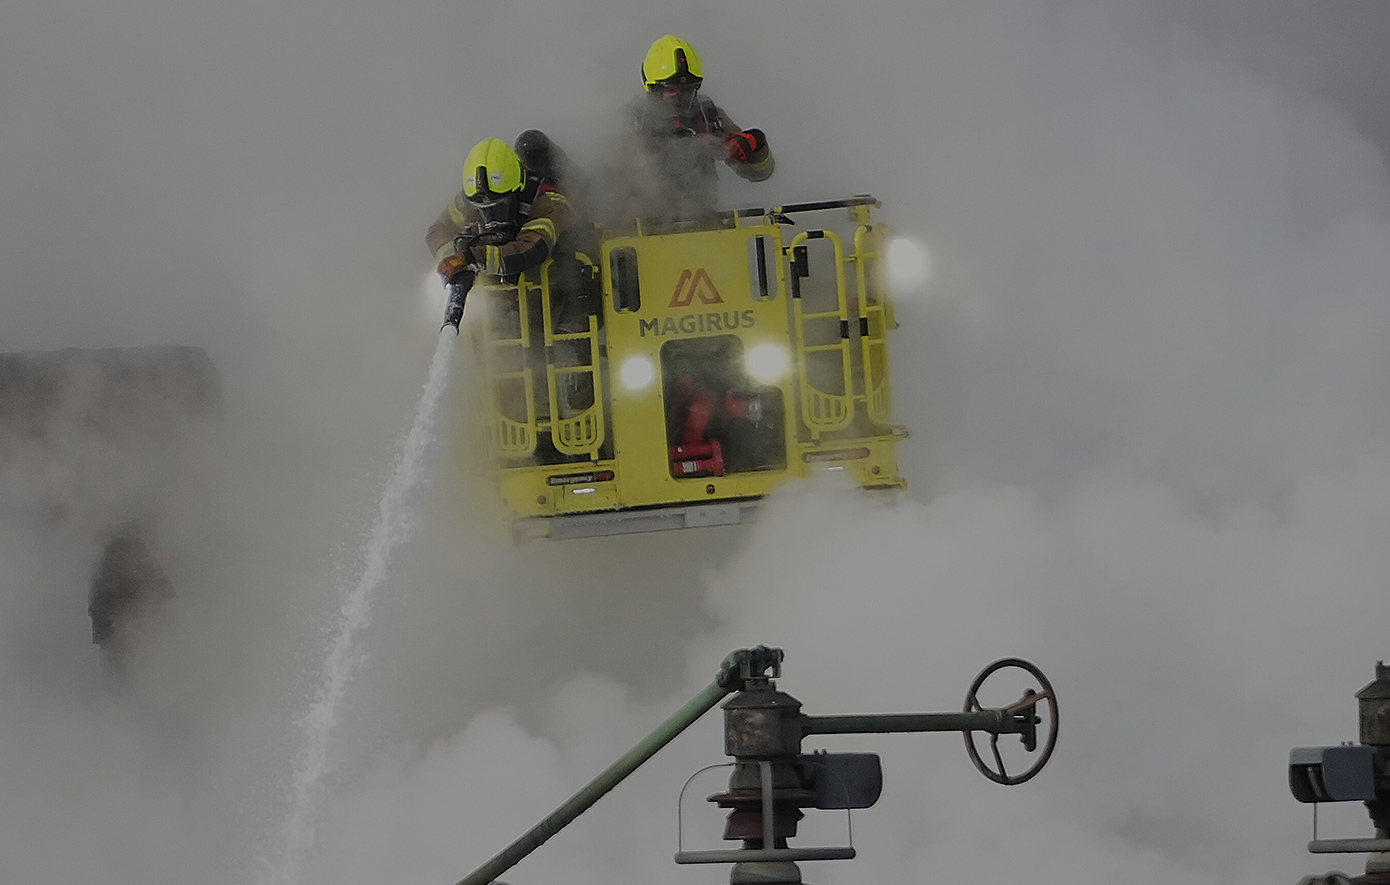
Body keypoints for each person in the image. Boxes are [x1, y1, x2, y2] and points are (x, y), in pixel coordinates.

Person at [611, 35, 774, 224]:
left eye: (686, 90)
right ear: (653, 89)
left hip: (701, 225)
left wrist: (755, 144)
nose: (680, 98)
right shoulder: (630, 122)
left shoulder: (708, 116)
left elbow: (761, 173)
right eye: (672, 90)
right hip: (642, 231)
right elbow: (605, 183)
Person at [428, 135, 576, 330]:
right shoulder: (473, 199)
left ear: (517, 189)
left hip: (563, 282)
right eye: (483, 208)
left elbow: (531, 248)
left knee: (572, 274)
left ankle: (571, 328)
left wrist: (472, 257)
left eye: (499, 206)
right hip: (509, 288)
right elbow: (437, 232)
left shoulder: (548, 201)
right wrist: (453, 258)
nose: (490, 215)